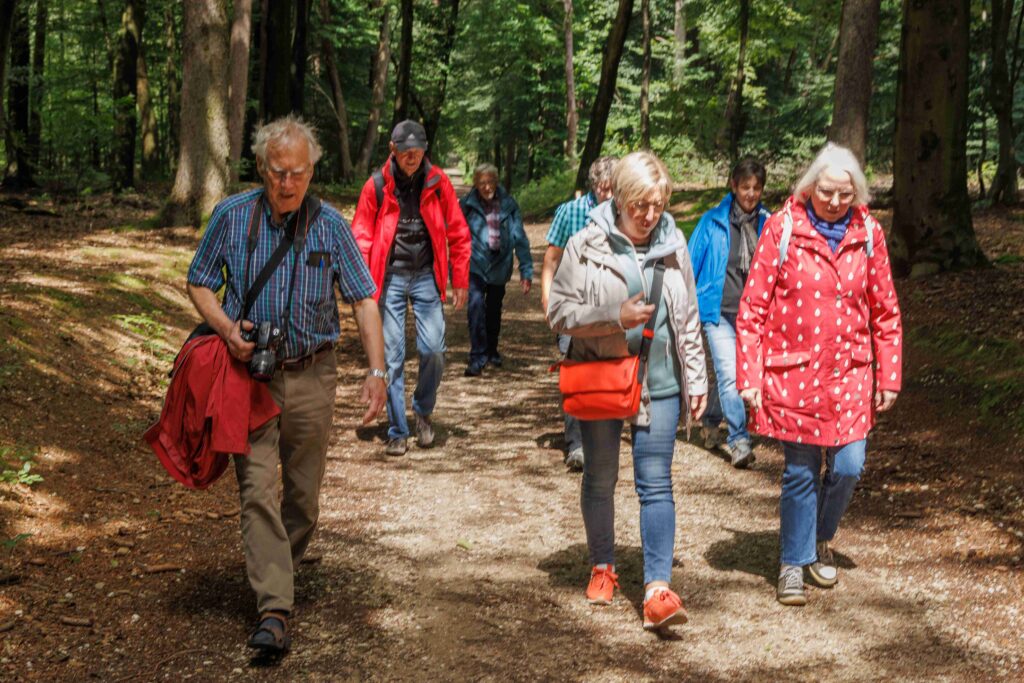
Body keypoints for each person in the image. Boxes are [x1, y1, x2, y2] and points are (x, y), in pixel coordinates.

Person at [186, 115, 387, 653]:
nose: (288, 183)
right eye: (278, 172)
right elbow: (199, 282)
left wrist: (377, 372)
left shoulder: (331, 226)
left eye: (298, 172)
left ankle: (280, 567)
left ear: (312, 171)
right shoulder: (231, 216)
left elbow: (364, 300)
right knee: (256, 489)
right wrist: (226, 329)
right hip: (247, 377)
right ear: (261, 167)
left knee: (303, 498)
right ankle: (274, 608)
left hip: (313, 373)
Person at [735, 143, 902, 606]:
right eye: (826, 192)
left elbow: (886, 311)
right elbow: (752, 309)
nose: (834, 201)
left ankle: (817, 537)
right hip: (794, 372)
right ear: (810, 187)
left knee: (849, 465)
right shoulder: (782, 227)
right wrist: (749, 375)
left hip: (851, 373)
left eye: (844, 194)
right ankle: (793, 562)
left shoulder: (868, 232)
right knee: (801, 470)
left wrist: (889, 375)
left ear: (856, 194)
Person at [547, 151, 708, 632]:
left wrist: (696, 377)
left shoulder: (674, 243)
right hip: (600, 375)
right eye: (639, 204)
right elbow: (559, 313)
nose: (649, 214)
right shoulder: (584, 243)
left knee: (656, 482)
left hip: (660, 381)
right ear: (618, 198)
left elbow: (688, 317)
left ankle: (658, 589)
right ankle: (603, 566)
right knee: (600, 477)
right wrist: (614, 317)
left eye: (657, 204)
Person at [351, 120, 471, 456]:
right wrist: (361, 287)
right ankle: (397, 430)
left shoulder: (438, 181)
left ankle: (422, 409)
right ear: (393, 149)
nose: (412, 156)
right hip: (388, 276)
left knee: (434, 349)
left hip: (426, 275)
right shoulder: (376, 185)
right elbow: (361, 237)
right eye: (406, 150)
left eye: (418, 150)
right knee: (391, 355)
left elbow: (458, 232)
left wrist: (460, 277)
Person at [688, 157, 770, 468]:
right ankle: (739, 440)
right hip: (718, 311)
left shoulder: (769, 224)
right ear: (734, 186)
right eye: (745, 187)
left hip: (754, 316)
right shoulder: (712, 221)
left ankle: (711, 419)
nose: (751, 194)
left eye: (756, 188)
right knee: (730, 373)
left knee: (735, 374)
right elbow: (689, 265)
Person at [541, 156, 618, 470]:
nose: (608, 195)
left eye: (613, 189)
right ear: (593, 185)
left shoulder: (625, 214)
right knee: (575, 372)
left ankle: (599, 435)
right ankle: (576, 444)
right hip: (572, 306)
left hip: (610, 309)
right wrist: (548, 300)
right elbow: (551, 259)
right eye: (603, 188)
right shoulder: (571, 212)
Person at [459, 163, 533, 376]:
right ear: (475, 184)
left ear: (496, 181)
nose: (487, 187)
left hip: (500, 264)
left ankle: (491, 349)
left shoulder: (509, 204)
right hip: (475, 263)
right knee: (475, 307)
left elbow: (520, 237)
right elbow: (455, 236)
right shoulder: (466, 205)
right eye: (482, 183)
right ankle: (477, 355)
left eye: (490, 181)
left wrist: (526, 270)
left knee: (493, 309)